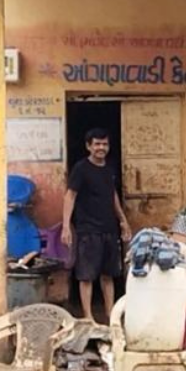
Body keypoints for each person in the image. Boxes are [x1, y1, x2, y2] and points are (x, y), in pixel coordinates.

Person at [62, 128, 132, 323]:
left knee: (108, 274)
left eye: (104, 144)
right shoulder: (81, 169)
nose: (101, 148)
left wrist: (123, 220)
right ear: (88, 146)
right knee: (86, 275)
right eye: (97, 144)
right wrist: (66, 226)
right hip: (88, 229)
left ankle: (110, 315)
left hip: (109, 228)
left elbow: (112, 195)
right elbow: (70, 195)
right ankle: (88, 317)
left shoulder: (109, 169)